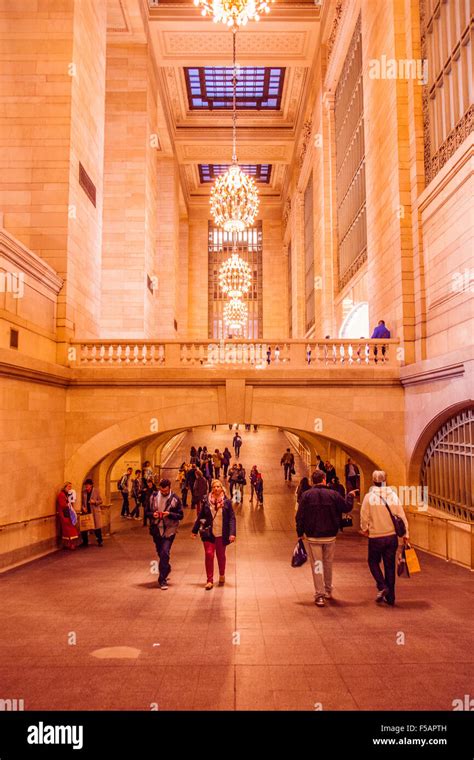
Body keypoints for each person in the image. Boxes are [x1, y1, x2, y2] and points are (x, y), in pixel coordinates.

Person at [296, 470, 356, 607]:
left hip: (313, 537)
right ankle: (328, 590)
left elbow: (299, 516)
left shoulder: (306, 495)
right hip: (330, 535)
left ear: (313, 480)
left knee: (317, 565)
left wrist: (300, 532)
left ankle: (319, 595)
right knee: (328, 563)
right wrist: (350, 496)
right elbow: (346, 507)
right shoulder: (333, 494)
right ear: (324, 479)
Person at [360, 470, 409, 606]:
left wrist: (365, 529)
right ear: (385, 481)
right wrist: (406, 534)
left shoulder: (369, 497)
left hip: (376, 536)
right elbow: (401, 515)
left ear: (373, 481)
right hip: (391, 537)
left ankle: (382, 586)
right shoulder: (393, 496)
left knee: (373, 562)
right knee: (389, 566)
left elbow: (364, 516)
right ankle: (391, 598)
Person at [191, 479, 236, 590]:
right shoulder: (206, 501)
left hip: (221, 533)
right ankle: (209, 580)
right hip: (209, 534)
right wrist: (194, 531)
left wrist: (232, 533)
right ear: (212, 488)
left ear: (222, 488)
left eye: (218, 486)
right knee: (209, 554)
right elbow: (201, 516)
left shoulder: (227, 502)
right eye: (214, 487)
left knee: (221, 556)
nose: (216, 488)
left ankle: (221, 574)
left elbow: (232, 519)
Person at [146, 478, 183, 590]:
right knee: (160, 552)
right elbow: (147, 512)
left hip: (169, 530)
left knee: (165, 552)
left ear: (169, 488)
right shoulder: (153, 497)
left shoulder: (175, 499)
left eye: (166, 491)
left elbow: (180, 515)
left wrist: (169, 514)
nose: (164, 493)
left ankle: (162, 579)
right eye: (162, 491)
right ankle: (166, 567)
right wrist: (153, 514)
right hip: (156, 529)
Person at [81, 478, 104, 547]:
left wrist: (95, 502)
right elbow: (82, 502)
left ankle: (100, 541)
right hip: (86, 512)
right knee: (85, 527)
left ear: (91, 485)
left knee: (97, 527)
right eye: (86, 485)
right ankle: (85, 542)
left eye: (87, 485)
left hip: (94, 512)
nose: (86, 487)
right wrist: (83, 507)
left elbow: (101, 501)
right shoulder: (84, 492)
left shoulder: (96, 491)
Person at [56, 483, 80, 550]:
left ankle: (69, 544)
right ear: (65, 487)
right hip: (64, 514)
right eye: (69, 487)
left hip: (66, 513)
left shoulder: (65, 494)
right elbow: (63, 505)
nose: (70, 488)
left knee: (68, 529)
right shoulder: (61, 495)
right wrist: (68, 504)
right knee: (68, 529)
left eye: (70, 487)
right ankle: (70, 544)